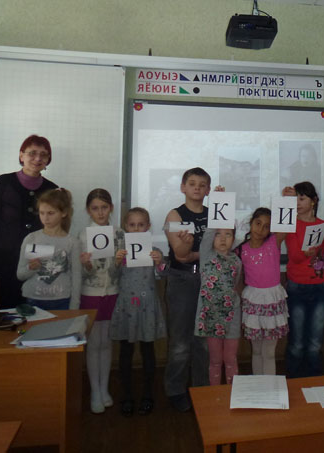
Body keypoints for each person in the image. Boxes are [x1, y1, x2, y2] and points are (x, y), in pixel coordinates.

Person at [0, 134, 58, 308]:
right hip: (2, 262)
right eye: (32, 153)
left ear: (48, 160)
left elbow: (53, 231)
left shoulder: (52, 189)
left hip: (35, 264)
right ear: (21, 155)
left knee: (34, 314)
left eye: (43, 155)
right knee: (2, 313)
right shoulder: (3, 183)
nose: (37, 158)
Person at [162, 167, 221, 412]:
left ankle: (201, 389)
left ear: (208, 190)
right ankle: (175, 390)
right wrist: (194, 251)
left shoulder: (215, 213)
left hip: (208, 279)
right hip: (182, 280)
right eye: (192, 183)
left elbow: (223, 246)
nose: (197, 187)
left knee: (203, 341)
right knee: (179, 342)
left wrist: (223, 203)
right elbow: (181, 255)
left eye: (202, 184)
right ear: (183, 187)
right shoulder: (174, 215)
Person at [111, 207, 167, 416]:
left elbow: (163, 275)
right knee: (125, 352)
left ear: (148, 227)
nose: (136, 229)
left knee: (148, 351)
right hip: (127, 306)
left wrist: (160, 263)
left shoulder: (154, 250)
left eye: (141, 225)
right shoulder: (121, 251)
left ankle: (148, 394)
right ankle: (126, 395)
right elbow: (112, 276)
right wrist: (117, 262)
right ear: (126, 227)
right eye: (132, 225)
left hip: (146, 307)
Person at [77, 189, 123, 414]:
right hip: (90, 294)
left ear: (111, 208)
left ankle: (104, 389)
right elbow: (81, 273)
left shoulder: (119, 233)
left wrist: (119, 262)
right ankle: (95, 391)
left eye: (104, 207)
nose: (100, 212)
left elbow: (119, 271)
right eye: (95, 208)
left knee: (106, 343)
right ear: (88, 210)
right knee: (94, 343)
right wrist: (86, 265)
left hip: (113, 293)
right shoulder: (83, 235)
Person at [281, 182, 324, 378]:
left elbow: (323, 253)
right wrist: (306, 253)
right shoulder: (290, 224)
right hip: (297, 286)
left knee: (316, 341)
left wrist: (317, 254)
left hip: (320, 285)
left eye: (302, 198)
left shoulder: (322, 225)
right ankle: (294, 379)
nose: (298, 203)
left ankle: (314, 380)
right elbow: (294, 256)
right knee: (297, 341)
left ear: (313, 201)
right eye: (295, 199)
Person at [236, 208, 289, 375]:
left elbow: (285, 224)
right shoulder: (241, 249)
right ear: (251, 223)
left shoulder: (273, 243)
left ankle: (270, 387)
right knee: (257, 351)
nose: (260, 229)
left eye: (266, 226)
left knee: (269, 352)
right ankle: (259, 385)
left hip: (272, 300)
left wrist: (288, 200)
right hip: (254, 302)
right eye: (258, 223)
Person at [16, 188, 80, 310]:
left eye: (51, 213)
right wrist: (31, 268)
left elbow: (76, 278)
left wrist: (74, 307)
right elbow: (20, 274)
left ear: (64, 213)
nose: (45, 218)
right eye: (42, 213)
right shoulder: (31, 238)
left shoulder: (72, 242)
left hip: (61, 301)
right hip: (33, 299)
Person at [195, 228, 242, 385]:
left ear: (233, 238)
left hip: (232, 316)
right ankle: (215, 393)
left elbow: (235, 284)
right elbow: (207, 236)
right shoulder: (207, 256)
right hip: (211, 316)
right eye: (218, 234)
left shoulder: (236, 261)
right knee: (215, 360)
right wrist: (216, 222)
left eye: (228, 234)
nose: (223, 239)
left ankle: (231, 392)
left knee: (230, 358)